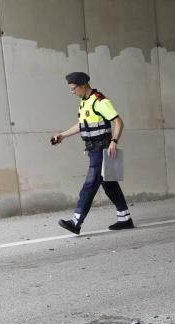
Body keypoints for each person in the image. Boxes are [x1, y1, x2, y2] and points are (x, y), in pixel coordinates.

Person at [50, 72, 134, 234]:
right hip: (93, 149)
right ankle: (125, 218)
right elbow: (83, 125)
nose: (72, 92)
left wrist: (114, 141)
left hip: (102, 149)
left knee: (90, 184)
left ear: (82, 85)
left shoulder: (100, 101)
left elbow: (118, 122)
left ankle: (76, 221)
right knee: (109, 184)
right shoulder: (84, 102)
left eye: (74, 88)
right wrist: (62, 135)